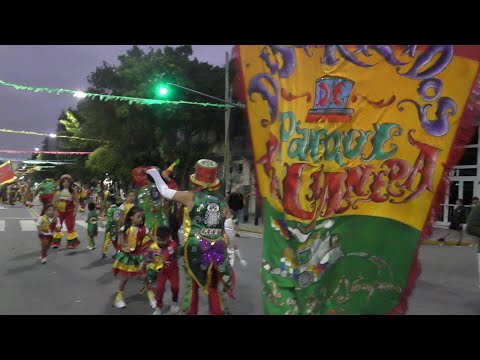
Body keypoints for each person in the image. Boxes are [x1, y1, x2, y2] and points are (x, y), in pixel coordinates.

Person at [147, 159, 235, 315]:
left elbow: (165, 192)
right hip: (218, 248)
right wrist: (229, 251)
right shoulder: (222, 202)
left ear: (196, 180)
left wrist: (155, 174)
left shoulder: (190, 196)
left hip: (195, 247)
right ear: (213, 182)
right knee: (214, 288)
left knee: (192, 286)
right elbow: (229, 231)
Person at [112, 206, 154, 308]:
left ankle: (151, 296)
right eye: (138, 217)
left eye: (142, 217)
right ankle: (119, 297)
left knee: (144, 277)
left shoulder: (144, 229)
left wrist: (163, 243)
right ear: (131, 217)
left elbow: (154, 238)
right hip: (128, 257)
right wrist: (125, 245)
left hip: (138, 256)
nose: (141, 219)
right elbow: (120, 241)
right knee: (125, 278)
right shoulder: (125, 228)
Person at [144, 225, 180, 315]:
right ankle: (158, 307)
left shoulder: (173, 245)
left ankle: (174, 302)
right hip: (161, 271)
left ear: (169, 238)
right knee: (160, 289)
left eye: (163, 240)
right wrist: (146, 263)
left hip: (173, 270)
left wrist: (161, 256)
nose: (161, 242)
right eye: (159, 239)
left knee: (175, 287)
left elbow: (168, 253)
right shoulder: (153, 247)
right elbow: (148, 258)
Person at [52, 174, 80, 249]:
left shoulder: (73, 192)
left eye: (67, 182)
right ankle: (56, 242)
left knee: (70, 227)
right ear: (61, 182)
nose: (66, 183)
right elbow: (53, 202)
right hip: (59, 211)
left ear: (70, 183)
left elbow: (77, 202)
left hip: (70, 211)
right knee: (58, 227)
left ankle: (71, 243)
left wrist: (75, 211)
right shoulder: (57, 191)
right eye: (64, 182)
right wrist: (54, 211)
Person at [101, 195, 121, 259]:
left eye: (107, 201)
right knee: (116, 241)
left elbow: (110, 220)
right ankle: (118, 252)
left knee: (107, 240)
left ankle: (104, 253)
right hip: (117, 227)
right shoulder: (118, 209)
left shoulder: (109, 210)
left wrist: (107, 227)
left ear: (110, 202)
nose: (106, 203)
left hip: (110, 228)